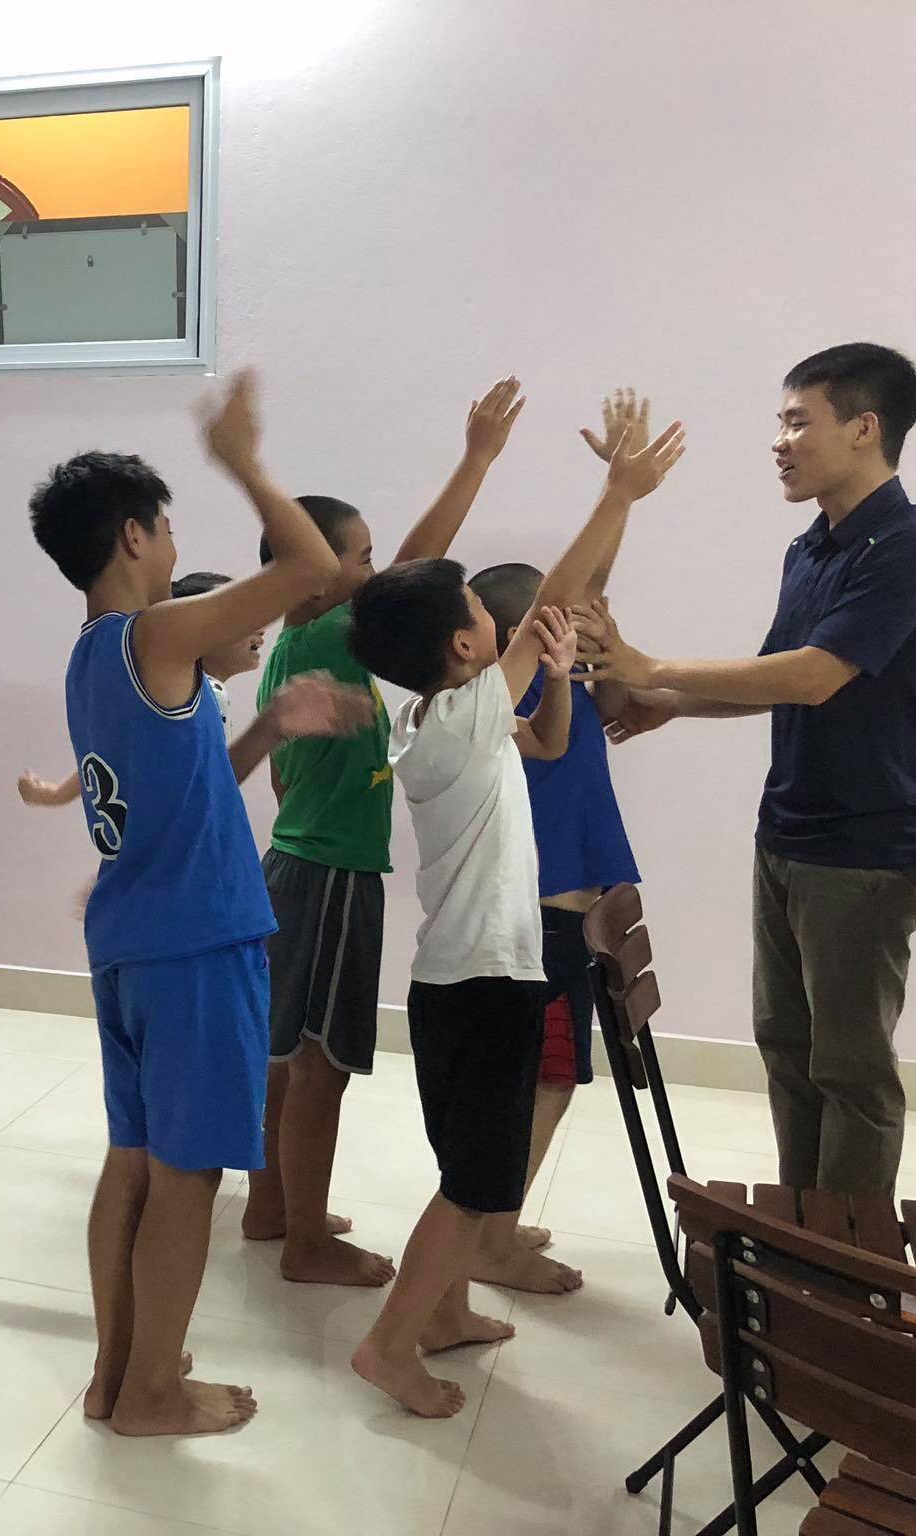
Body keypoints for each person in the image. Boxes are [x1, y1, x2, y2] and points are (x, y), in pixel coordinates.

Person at [29, 372, 370, 1437]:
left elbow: (190, 790)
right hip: (195, 945)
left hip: (134, 945)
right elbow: (312, 567)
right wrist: (242, 460)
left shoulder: (94, 658)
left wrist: (269, 727)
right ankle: (151, 1394)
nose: (175, 545)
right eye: (168, 527)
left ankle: (117, 1375)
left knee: (134, 1164)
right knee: (188, 1178)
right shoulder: (154, 634)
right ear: (133, 536)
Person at [344, 418, 685, 1418]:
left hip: (461, 980)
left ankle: (443, 1314)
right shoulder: (457, 718)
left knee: (469, 1170)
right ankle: (389, 1345)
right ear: (465, 643)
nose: (517, 628)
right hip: (484, 983)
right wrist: (617, 496)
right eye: (482, 617)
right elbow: (551, 606)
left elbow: (546, 740)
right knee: (471, 1187)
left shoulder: (440, 720)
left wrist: (561, 676)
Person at [578, 344, 916, 1198]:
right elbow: (776, 679)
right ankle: (800, 1238)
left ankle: (847, 1263)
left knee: (851, 1071)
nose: (779, 443)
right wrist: (671, 701)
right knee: (787, 1049)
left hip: (864, 851)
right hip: (786, 833)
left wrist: (649, 664)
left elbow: (815, 675)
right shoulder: (811, 548)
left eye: (796, 422)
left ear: (864, 428)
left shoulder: (909, 547)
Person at [243, 378, 527, 1291]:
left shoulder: (298, 647)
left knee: (289, 1055)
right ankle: (304, 1241)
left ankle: (271, 1205)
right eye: (359, 558)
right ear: (316, 572)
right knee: (320, 1067)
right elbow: (419, 568)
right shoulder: (330, 637)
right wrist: (476, 459)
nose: (375, 573)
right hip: (329, 876)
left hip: (301, 863)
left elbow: (284, 777)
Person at [458, 387, 654, 1289]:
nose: (577, 620)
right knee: (544, 1082)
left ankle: (494, 1226)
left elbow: (590, 591)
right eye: (558, 617)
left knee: (547, 1080)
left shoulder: (553, 682)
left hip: (558, 917)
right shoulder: (520, 688)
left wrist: (621, 492)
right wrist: (617, 493)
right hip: (541, 923)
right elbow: (578, 590)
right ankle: (490, 1240)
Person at [17, 571, 260, 809]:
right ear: (195, 634)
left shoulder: (159, 694)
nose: (260, 626)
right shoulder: (210, 695)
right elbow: (214, 786)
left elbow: (113, 753)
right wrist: (267, 730)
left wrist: (56, 794)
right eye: (240, 617)